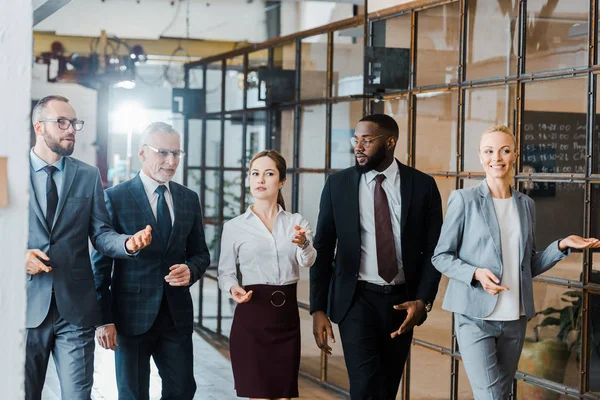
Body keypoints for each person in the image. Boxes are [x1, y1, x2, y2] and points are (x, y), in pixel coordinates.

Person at [431, 125, 600, 400]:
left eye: (504, 150)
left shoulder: (525, 204)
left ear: (515, 155)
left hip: (514, 318)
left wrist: (561, 245)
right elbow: (441, 256)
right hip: (474, 318)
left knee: (504, 393)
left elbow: (528, 266)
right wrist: (475, 273)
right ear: (480, 156)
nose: (496, 157)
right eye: (489, 151)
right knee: (491, 395)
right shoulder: (464, 200)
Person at [25, 95, 152, 400]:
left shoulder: (88, 175)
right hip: (24, 308)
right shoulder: (9, 171)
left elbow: (101, 233)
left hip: (75, 310)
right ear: (39, 127)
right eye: (63, 122)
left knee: (78, 396)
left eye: (75, 123)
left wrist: (127, 244)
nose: (71, 129)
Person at [310, 114, 443, 400]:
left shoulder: (422, 186)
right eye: (355, 140)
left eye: (366, 141)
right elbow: (322, 248)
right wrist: (317, 308)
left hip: (403, 302)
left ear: (390, 141)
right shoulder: (338, 185)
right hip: (356, 299)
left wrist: (423, 300)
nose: (358, 147)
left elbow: (435, 250)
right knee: (365, 386)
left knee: (386, 388)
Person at [91, 122, 211, 400]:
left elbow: (201, 253)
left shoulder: (188, 199)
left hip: (176, 316)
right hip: (129, 318)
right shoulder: (114, 198)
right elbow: (100, 265)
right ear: (143, 152)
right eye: (163, 152)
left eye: (177, 153)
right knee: (133, 394)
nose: (171, 161)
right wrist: (103, 320)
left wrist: (190, 270)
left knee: (182, 390)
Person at [217, 150, 316, 400]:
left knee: (284, 396)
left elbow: (307, 261)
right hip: (251, 315)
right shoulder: (234, 226)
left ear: (281, 181)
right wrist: (233, 289)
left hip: (286, 318)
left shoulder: (296, 222)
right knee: (259, 395)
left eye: (269, 173)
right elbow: (225, 273)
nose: (260, 179)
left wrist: (303, 243)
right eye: (255, 174)